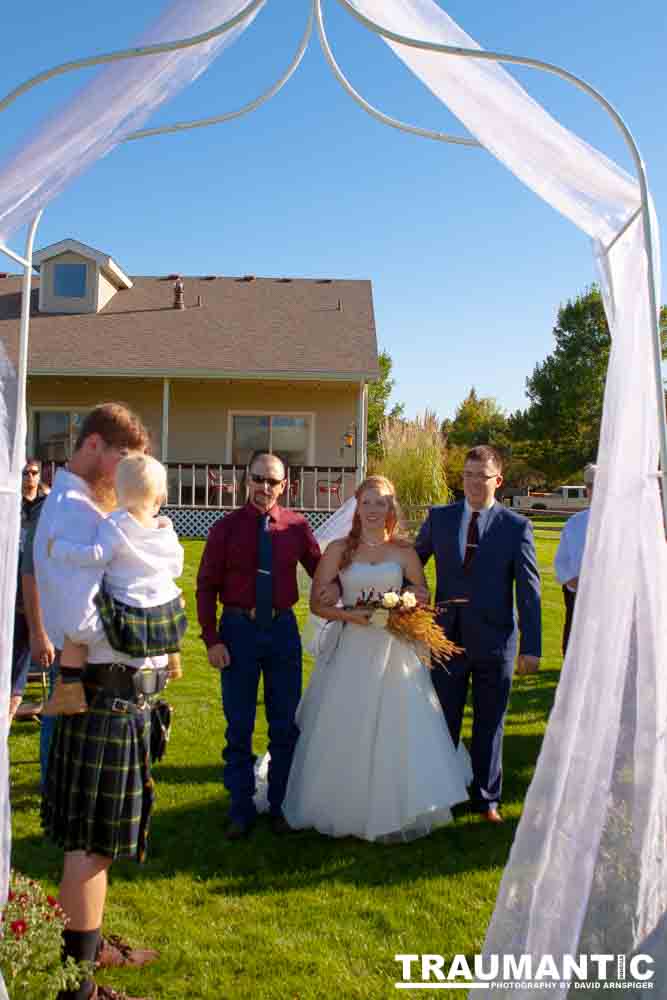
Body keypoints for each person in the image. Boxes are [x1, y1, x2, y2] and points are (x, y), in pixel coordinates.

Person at [34, 403, 160, 1000]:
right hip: (103, 695)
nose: (129, 472)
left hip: (110, 696)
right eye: (124, 458)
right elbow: (77, 620)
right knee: (90, 846)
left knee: (93, 845)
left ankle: (89, 952)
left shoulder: (86, 508)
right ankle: (77, 989)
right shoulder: (73, 514)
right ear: (93, 446)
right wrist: (149, 624)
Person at [282, 475, 470, 842]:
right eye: (367, 502)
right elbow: (317, 603)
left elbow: (423, 594)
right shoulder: (339, 550)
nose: (372, 509)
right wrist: (350, 616)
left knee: (399, 725)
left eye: (380, 502)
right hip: (352, 647)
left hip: (394, 649)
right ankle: (342, 803)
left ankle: (399, 802)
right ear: (357, 505)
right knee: (347, 722)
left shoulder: (404, 551)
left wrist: (408, 603)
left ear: (390, 507)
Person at [196, 451, 331, 840]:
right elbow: (205, 587)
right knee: (239, 726)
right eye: (258, 479)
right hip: (238, 632)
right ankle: (240, 810)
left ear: (284, 485)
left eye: (273, 481)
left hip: (282, 633)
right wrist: (212, 639)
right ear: (246, 479)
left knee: (284, 725)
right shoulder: (224, 529)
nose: (265, 487)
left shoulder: (297, 527)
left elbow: (322, 573)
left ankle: (280, 807)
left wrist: (361, 583)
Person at [415, 445, 541, 824]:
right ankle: (441, 793)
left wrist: (532, 647)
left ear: (497, 481)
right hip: (446, 640)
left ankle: (486, 800)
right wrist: (404, 600)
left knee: (490, 722)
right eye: (467, 475)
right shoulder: (439, 518)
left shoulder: (516, 527)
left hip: (496, 642)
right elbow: (412, 565)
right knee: (443, 721)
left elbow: (529, 591)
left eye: (481, 476)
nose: (472, 483)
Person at [42, 452, 186, 717]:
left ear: (118, 493)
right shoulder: (166, 530)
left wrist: (59, 548)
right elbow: (176, 566)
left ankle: (69, 688)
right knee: (171, 607)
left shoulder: (116, 524)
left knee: (74, 633)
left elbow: (96, 554)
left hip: (126, 608)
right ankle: (172, 657)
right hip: (164, 612)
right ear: (159, 499)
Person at [9, 459, 49, 722]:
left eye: (33, 473)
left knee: (22, 658)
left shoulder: (46, 507)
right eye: (25, 473)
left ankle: (10, 711)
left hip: (34, 592)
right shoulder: (11, 504)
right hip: (11, 588)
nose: (29, 478)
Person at [554, 462, 596, 655]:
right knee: (575, 649)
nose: (595, 491)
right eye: (591, 486)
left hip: (613, 599)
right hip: (578, 598)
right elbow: (561, 563)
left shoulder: (625, 523)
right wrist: (576, 583)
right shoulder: (575, 523)